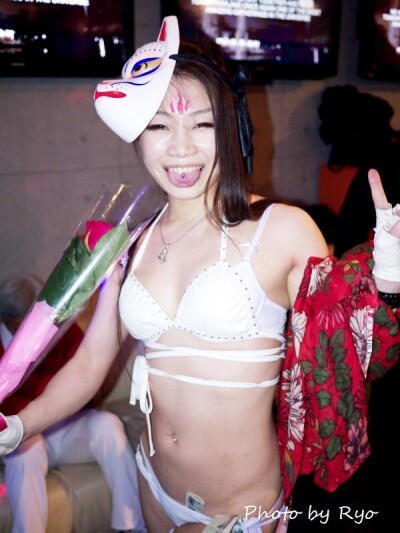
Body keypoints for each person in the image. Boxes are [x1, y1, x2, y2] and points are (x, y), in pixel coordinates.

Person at [0, 16, 399, 532]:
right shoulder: (133, 240)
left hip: (240, 511)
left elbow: (351, 352)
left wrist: (389, 281)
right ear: (138, 136)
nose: (181, 148)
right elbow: (92, 361)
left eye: (202, 124)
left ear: (229, 129)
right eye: (159, 126)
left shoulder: (279, 229)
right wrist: (21, 423)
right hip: (153, 486)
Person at [0, 275, 146, 533]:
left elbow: (89, 375)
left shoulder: (58, 331)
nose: (40, 326)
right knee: (26, 450)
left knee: (107, 424)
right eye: (29, 321)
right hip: (21, 436)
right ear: (9, 321)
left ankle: (132, 525)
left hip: (63, 428)